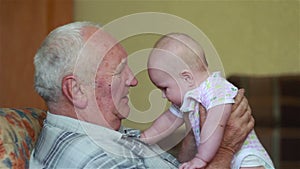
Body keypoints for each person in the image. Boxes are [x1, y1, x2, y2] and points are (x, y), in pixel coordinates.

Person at [30, 21, 254, 168]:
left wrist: (194, 140)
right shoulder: (95, 161)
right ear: (76, 90)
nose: (133, 80)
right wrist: (224, 151)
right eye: (120, 71)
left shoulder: (101, 136)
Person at [140, 33, 274, 169]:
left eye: (164, 88)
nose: (163, 95)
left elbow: (214, 126)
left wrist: (200, 158)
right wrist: (144, 138)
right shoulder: (189, 97)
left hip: (246, 155)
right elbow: (168, 120)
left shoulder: (216, 89)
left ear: (187, 78)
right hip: (220, 157)